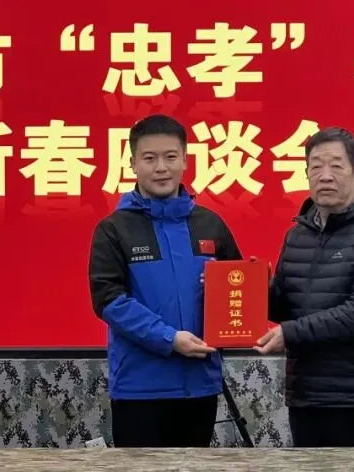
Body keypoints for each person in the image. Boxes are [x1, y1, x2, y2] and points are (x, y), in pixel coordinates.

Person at [88, 113, 243, 448]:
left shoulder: (210, 224)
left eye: (171, 157)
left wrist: (248, 288)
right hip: (139, 388)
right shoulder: (114, 229)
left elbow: (237, 290)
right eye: (149, 158)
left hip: (199, 385)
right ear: (132, 164)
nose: (161, 168)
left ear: (185, 160)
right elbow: (109, 301)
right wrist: (169, 338)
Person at [254, 126, 354, 448]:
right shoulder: (297, 235)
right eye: (316, 167)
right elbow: (289, 308)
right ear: (306, 174)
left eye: (336, 166)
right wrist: (262, 291)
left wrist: (291, 333)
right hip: (307, 396)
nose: (325, 176)